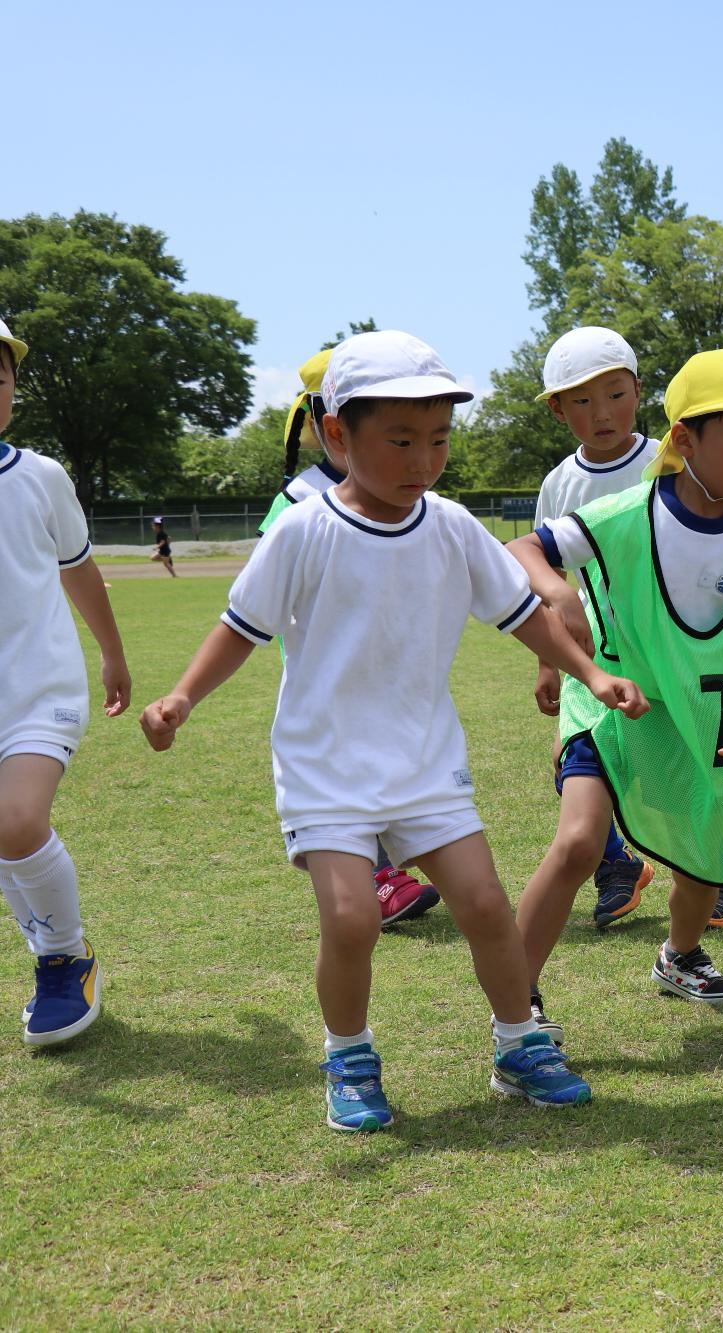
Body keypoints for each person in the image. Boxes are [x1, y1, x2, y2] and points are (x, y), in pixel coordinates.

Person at [140, 332, 631, 1131]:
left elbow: (519, 614)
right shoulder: (303, 529)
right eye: (401, 441)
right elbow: (242, 626)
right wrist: (182, 697)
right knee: (351, 917)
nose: (423, 460)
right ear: (338, 435)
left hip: (424, 760)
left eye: (438, 440)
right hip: (325, 765)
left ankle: (519, 1042)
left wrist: (589, 672)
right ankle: (350, 1056)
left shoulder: (450, 525)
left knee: (482, 901)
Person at [507, 348, 723, 1009]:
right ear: (684, 439)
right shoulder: (624, 513)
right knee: (582, 841)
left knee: (702, 851)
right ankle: (516, 996)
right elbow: (523, 549)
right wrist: (557, 594)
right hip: (608, 704)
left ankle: (680, 954)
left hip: (693, 716)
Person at [259, 350, 441, 927]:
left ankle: (387, 869)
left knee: (392, 761)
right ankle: (375, 878)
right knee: (349, 771)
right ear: (327, 422)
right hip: (328, 672)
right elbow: (266, 591)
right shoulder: (299, 499)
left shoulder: (402, 487)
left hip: (390, 663)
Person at [0, 316, 130, 1047]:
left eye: (0, 376)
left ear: (15, 387)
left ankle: (64, 956)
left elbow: (78, 565)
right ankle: (46, 953)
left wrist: (111, 653)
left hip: (40, 688)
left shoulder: (40, 476)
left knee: (17, 820)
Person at [517, 327, 657, 968]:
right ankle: (617, 866)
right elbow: (548, 577)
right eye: (580, 401)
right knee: (567, 758)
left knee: (675, 766)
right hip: (593, 655)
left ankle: (712, 880)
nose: (601, 414)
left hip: (670, 650)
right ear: (557, 410)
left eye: (614, 394)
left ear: (638, 390)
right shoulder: (559, 484)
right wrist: (549, 661)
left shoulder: (669, 458)